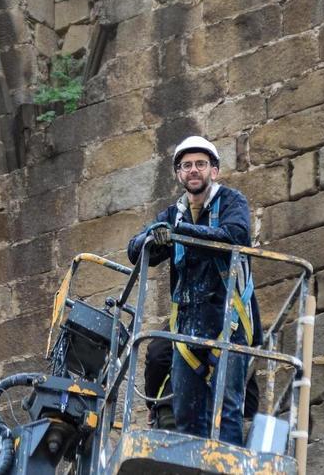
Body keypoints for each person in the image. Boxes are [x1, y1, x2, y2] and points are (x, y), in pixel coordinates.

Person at [127, 136, 261, 446]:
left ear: (214, 171)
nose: (193, 171)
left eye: (201, 164)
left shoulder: (231, 201)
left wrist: (180, 233)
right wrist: (153, 237)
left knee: (226, 413)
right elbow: (135, 252)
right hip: (186, 327)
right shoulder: (172, 214)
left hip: (228, 323)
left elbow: (235, 236)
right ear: (178, 174)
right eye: (186, 166)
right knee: (186, 415)